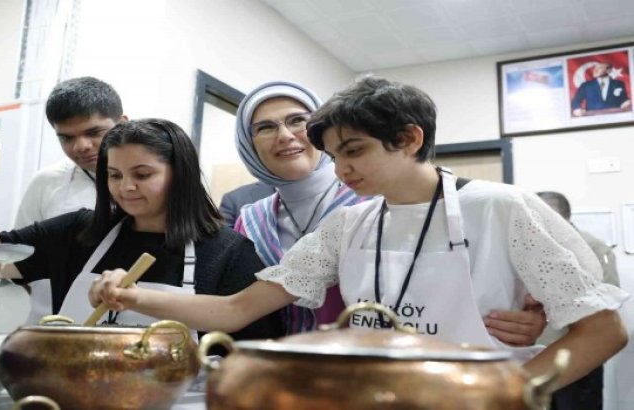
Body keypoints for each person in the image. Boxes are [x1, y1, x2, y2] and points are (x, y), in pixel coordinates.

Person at [90, 76, 628, 389]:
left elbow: (604, 331)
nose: (342, 170)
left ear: (410, 138)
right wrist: (136, 294)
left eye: (355, 151)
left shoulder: (504, 208)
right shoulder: (349, 223)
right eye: (335, 156)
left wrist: (512, 391)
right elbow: (236, 310)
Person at [232, 81, 545, 341]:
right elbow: (237, 306)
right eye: (264, 127)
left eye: (297, 120)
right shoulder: (250, 218)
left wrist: (534, 312)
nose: (285, 135)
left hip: (372, 367)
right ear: (249, 143)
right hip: (278, 365)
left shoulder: (379, 196)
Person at [0, 118, 282, 341]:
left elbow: (249, 346)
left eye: (142, 175)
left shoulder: (228, 251)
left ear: (180, 174)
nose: (125, 187)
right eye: (114, 175)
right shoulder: (80, 230)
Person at [12, 76, 127, 324]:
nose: (81, 146)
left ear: (123, 123)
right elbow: (19, 259)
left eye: (94, 132)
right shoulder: (47, 182)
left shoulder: (160, 180)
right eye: (66, 138)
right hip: (52, 327)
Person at [537, 191, 620, 410]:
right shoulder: (532, 245)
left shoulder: (593, 248)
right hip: (536, 353)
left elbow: (608, 302)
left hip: (578, 353)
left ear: (563, 217)